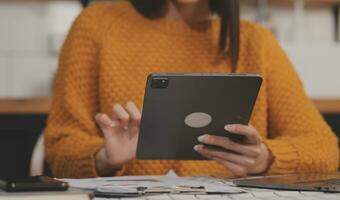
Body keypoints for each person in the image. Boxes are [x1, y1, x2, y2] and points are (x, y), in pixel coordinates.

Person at [45, 0, 339, 178]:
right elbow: (59, 149)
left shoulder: (256, 42)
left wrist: (265, 158)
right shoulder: (96, 26)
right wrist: (104, 157)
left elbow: (325, 150)